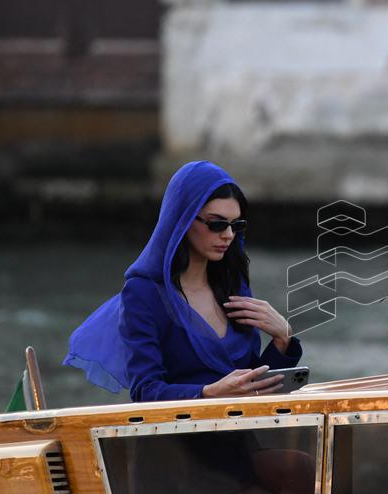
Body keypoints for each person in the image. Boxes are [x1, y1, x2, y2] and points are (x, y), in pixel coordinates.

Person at [64, 161, 302, 401]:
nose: (228, 235)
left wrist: (283, 339)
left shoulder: (234, 284)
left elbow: (253, 388)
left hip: (245, 425)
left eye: (236, 225)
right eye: (217, 224)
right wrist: (207, 393)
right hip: (179, 426)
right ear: (183, 219)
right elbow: (145, 391)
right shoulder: (143, 293)